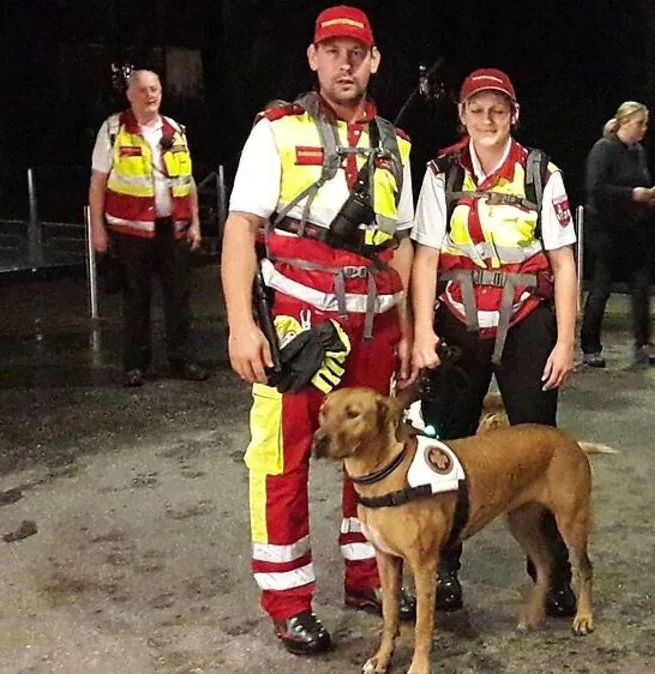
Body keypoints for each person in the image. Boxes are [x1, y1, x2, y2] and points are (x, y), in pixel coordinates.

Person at [219, 5, 417, 656]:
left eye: (355, 52)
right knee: (283, 461)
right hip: (298, 326)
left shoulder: (397, 146)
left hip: (376, 327)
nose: (344, 62)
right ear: (313, 57)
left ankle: (368, 576)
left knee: (376, 453)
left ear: (374, 60)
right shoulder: (275, 132)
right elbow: (241, 229)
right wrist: (242, 326)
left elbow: (405, 247)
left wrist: (411, 331)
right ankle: (288, 601)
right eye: (332, 50)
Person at [410, 68, 579, 616]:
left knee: (537, 453)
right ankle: (445, 570)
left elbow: (563, 262)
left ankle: (550, 574)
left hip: (527, 321)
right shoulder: (441, 172)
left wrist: (566, 341)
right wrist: (421, 332)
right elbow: (426, 257)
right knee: (444, 450)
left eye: (498, 110)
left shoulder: (539, 172)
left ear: (515, 115)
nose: (488, 119)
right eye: (478, 109)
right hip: (458, 322)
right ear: (462, 114)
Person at [88, 69, 207, 387]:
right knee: (136, 298)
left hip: (174, 227)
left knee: (179, 298)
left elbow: (188, 180)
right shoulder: (114, 130)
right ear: (130, 95)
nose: (150, 95)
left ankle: (182, 359)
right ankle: (135, 364)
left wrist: (195, 221)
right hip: (131, 230)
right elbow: (98, 181)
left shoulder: (175, 130)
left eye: (155, 89)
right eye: (142, 90)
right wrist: (96, 228)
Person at [579, 101, 655, 368]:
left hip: (632, 227)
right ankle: (590, 346)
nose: (644, 129)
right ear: (625, 122)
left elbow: (640, 183)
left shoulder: (638, 152)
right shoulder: (604, 149)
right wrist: (631, 194)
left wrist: (651, 196)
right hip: (604, 227)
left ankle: (644, 343)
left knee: (641, 286)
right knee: (601, 287)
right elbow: (595, 188)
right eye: (640, 123)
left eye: (645, 124)